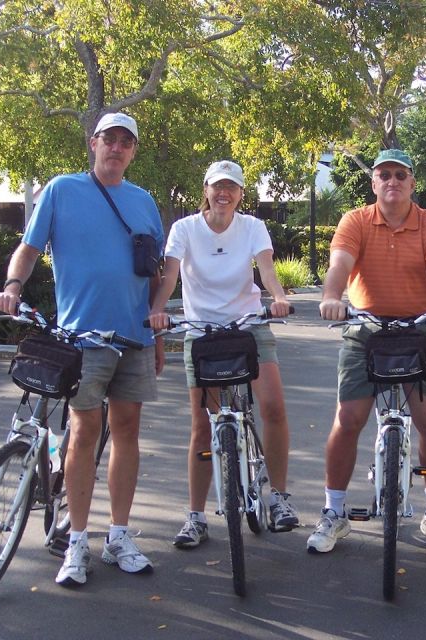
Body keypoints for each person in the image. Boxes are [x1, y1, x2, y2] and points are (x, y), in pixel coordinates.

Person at [0, 112, 165, 586]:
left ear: (133, 151)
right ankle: (75, 541)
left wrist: (157, 333)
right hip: (82, 337)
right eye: (109, 139)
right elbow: (29, 249)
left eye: (126, 142)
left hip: (133, 336)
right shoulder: (62, 190)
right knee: (85, 431)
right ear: (94, 143)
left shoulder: (143, 201)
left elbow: (155, 273)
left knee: (127, 430)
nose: (117, 148)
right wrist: (13, 286)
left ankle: (118, 536)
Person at [308, 149, 426, 556]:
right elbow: (340, 264)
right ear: (374, 183)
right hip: (366, 329)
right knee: (348, 419)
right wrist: (331, 297)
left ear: (412, 183)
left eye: (401, 175)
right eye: (385, 175)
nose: (392, 181)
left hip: (420, 329)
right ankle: (333, 512)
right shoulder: (356, 221)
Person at [148, 160, 299, 548]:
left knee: (274, 408)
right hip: (201, 333)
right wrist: (158, 310)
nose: (224, 193)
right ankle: (195, 516)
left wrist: (278, 297)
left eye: (231, 187)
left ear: (240, 195)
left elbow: (266, 269)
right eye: (218, 186)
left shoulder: (251, 227)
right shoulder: (184, 229)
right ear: (206, 189)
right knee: (203, 426)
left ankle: (279, 497)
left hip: (248, 326)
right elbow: (169, 275)